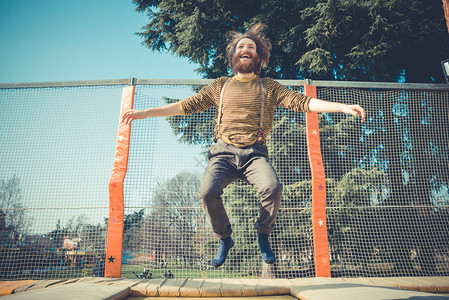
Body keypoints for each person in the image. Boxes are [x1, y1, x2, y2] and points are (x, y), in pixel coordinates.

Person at [122, 24, 365, 267]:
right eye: (241, 46)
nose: (245, 49)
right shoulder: (220, 85)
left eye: (251, 46)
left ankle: (263, 234)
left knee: (273, 187)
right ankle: (224, 238)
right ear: (234, 56)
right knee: (206, 192)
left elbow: (303, 102)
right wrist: (145, 113)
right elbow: (185, 105)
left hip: (254, 154)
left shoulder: (269, 87)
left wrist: (342, 107)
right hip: (222, 154)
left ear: (259, 56)